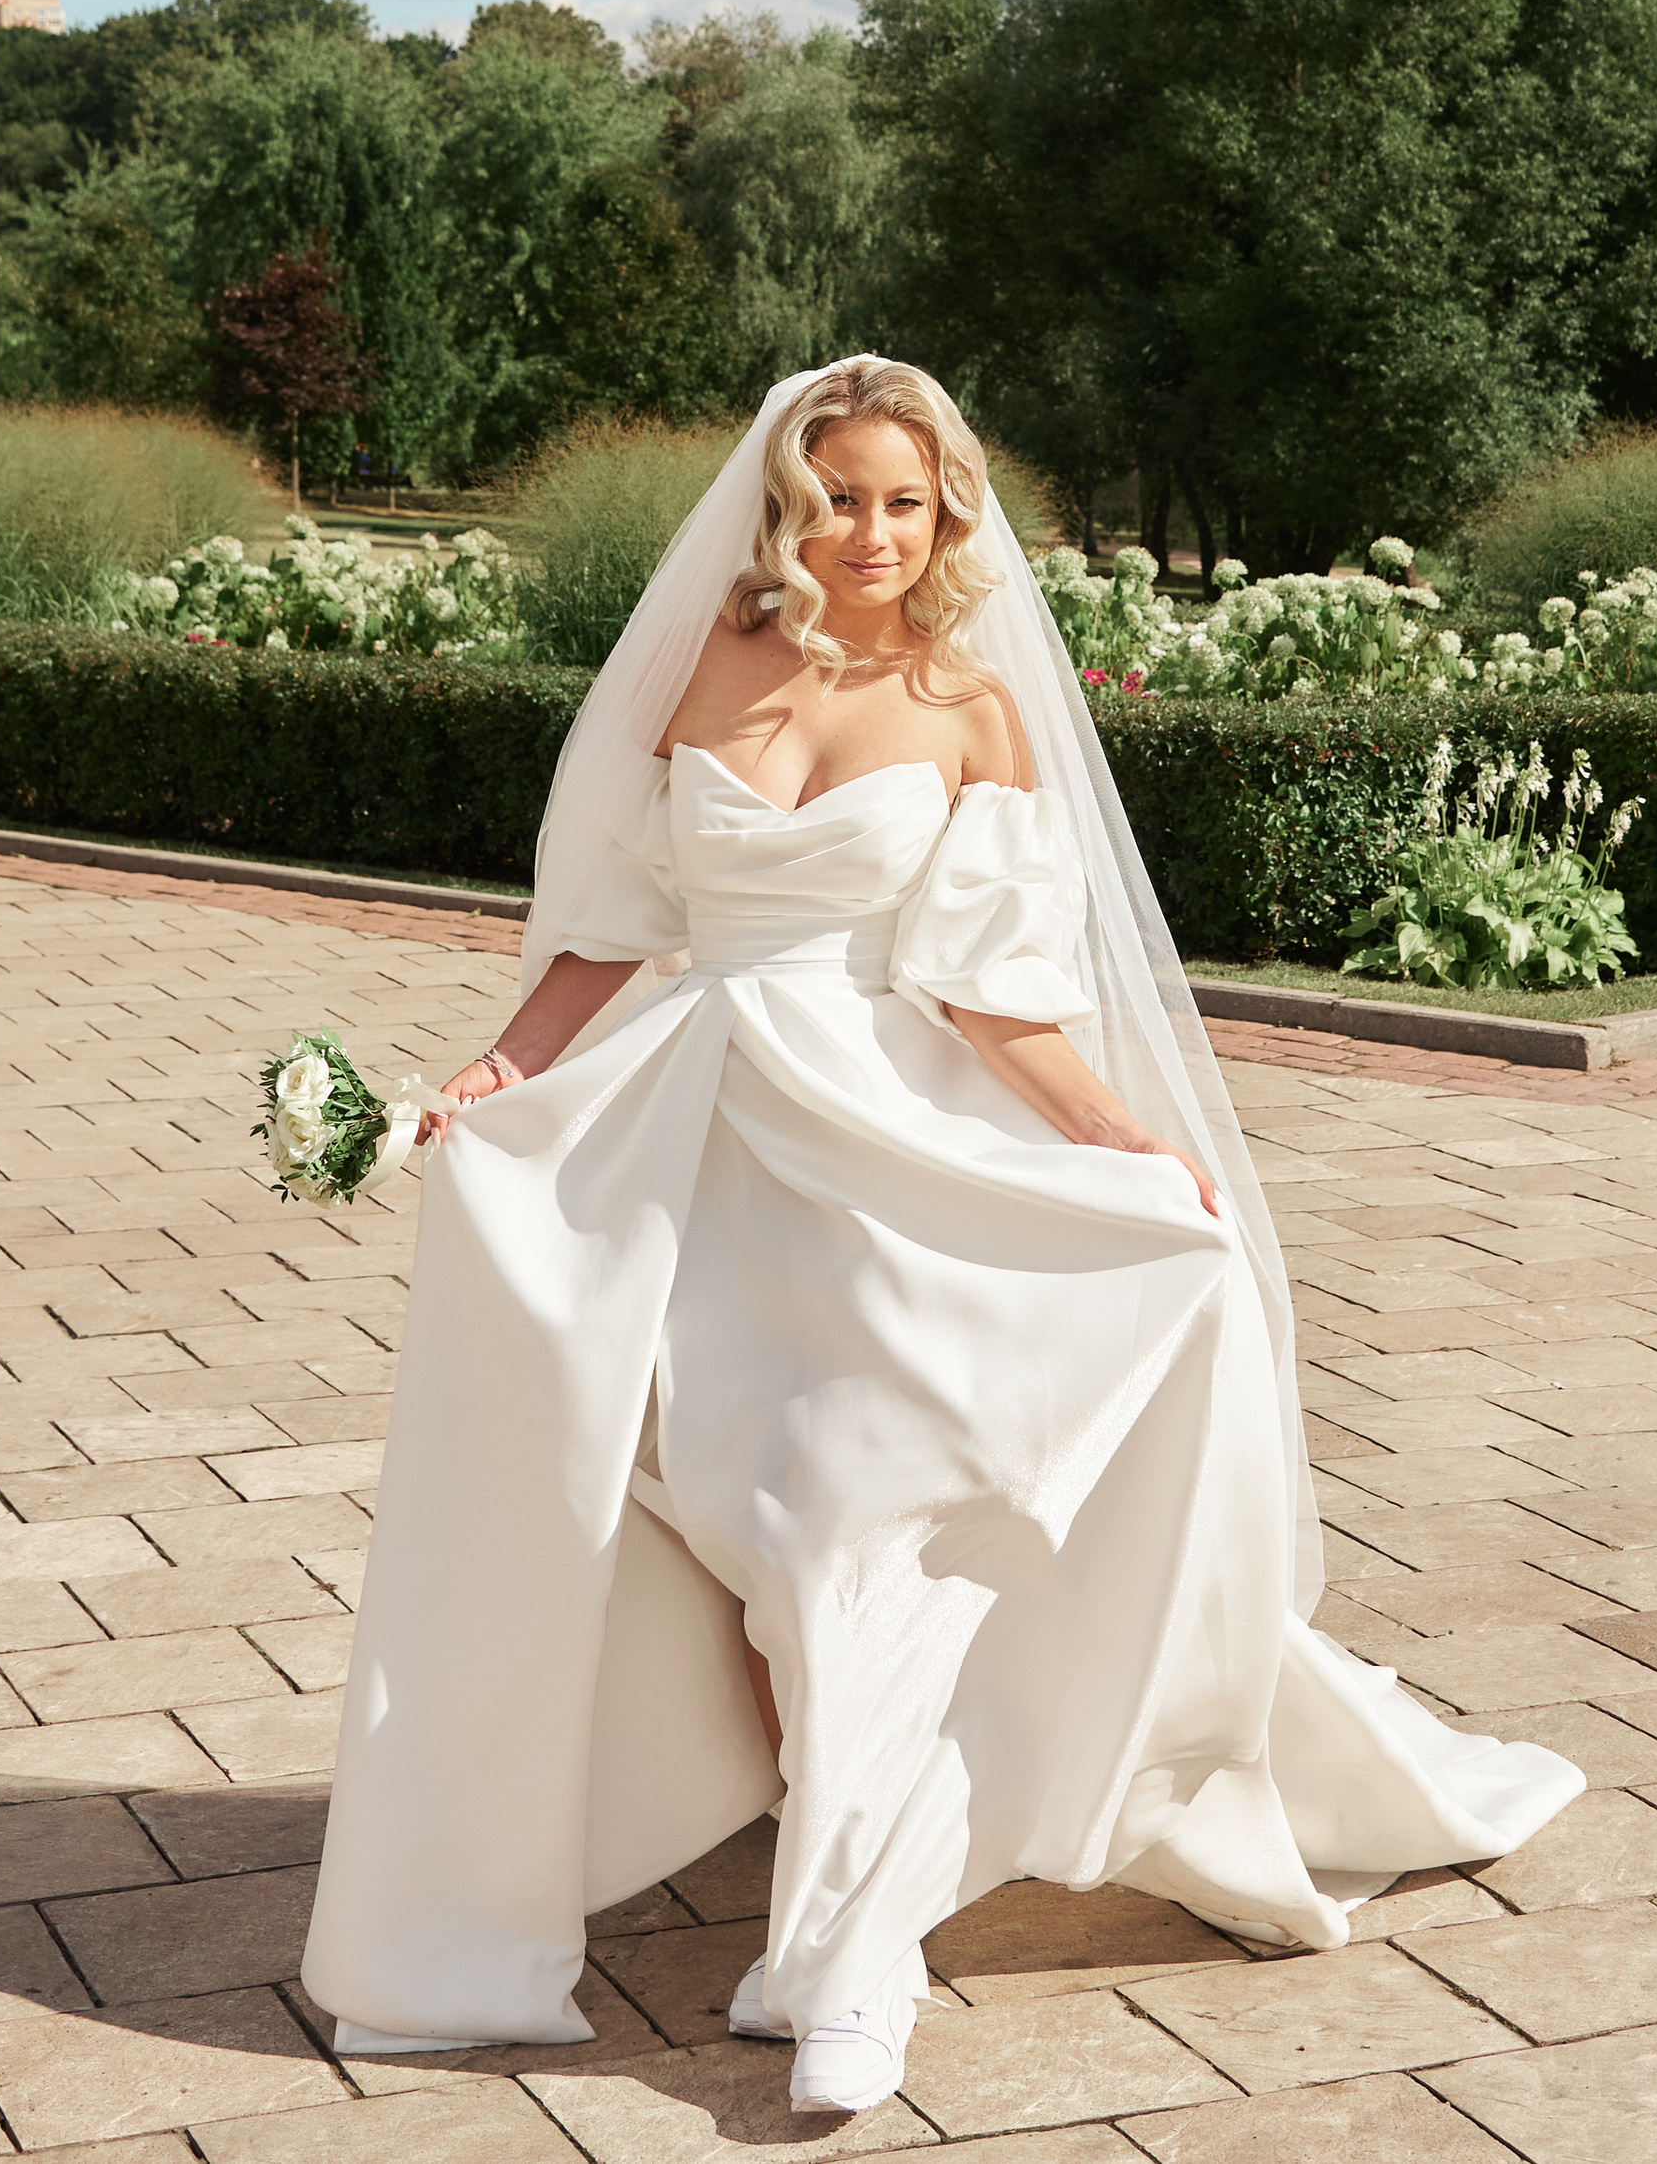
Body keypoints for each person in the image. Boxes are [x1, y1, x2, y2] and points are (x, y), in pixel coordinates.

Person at [302, 356, 1582, 2117]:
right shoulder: (701, 669)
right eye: (840, 495)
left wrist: (1138, 1154)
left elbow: (998, 995)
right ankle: (822, 1898)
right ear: (783, 502)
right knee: (764, 1545)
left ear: (946, 510)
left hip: (892, 1160)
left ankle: (845, 1962)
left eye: (905, 500)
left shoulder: (975, 708)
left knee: (856, 1541)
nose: (872, 530)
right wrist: (490, 1072)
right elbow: (605, 926)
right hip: (700, 1148)